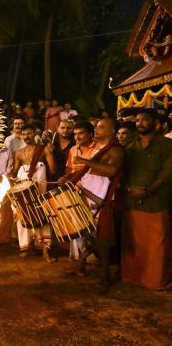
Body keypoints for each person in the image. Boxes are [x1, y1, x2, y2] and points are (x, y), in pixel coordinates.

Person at [62, 119, 125, 288]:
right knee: (86, 232)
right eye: (97, 127)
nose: (97, 129)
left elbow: (112, 171)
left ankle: (105, 275)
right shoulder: (98, 148)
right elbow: (91, 170)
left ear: (112, 131)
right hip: (87, 195)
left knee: (102, 238)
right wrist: (69, 177)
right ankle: (81, 263)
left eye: (101, 127)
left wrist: (85, 161)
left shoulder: (116, 150)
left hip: (101, 199)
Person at [121, 109, 172, 290]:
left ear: (155, 123)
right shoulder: (129, 147)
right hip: (132, 202)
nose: (139, 123)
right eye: (137, 120)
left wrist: (148, 190)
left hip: (157, 202)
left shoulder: (166, 145)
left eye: (144, 120)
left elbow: (167, 173)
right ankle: (134, 278)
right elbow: (123, 173)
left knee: (158, 244)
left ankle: (157, 281)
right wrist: (128, 189)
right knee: (135, 243)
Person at [12, 124, 56, 262]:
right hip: (23, 187)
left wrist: (50, 152)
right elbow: (14, 171)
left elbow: (53, 170)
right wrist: (10, 176)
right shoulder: (19, 153)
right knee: (22, 213)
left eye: (29, 134)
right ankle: (25, 247)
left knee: (43, 213)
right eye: (24, 134)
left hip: (40, 187)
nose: (26, 137)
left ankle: (45, 248)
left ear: (35, 134)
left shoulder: (43, 149)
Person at [61, 120, 100, 261]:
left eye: (81, 133)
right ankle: (79, 258)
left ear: (90, 133)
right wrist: (65, 177)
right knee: (77, 223)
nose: (77, 137)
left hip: (95, 193)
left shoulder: (99, 148)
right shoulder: (73, 149)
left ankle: (94, 259)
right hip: (76, 191)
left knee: (93, 225)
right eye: (75, 134)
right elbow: (71, 169)